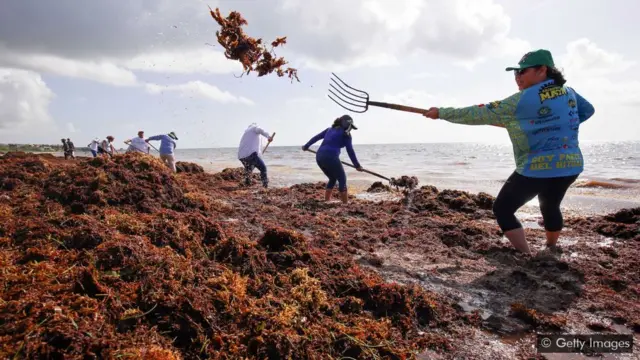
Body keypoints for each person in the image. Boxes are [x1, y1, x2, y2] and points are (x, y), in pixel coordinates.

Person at [422, 49, 595, 254]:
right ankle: (551, 248)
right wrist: (554, 125)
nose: (517, 77)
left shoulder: (521, 100)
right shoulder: (570, 92)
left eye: (522, 72)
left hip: (538, 167)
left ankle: (525, 254)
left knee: (502, 209)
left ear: (542, 70)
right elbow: (587, 110)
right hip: (571, 165)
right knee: (550, 205)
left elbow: (479, 113)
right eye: (515, 73)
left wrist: (441, 113)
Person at [302, 115, 364, 204]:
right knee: (342, 178)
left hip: (319, 157)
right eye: (349, 126)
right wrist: (357, 165)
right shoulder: (346, 135)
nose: (350, 129)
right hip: (331, 157)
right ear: (345, 124)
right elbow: (350, 151)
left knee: (332, 178)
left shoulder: (329, 129)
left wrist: (306, 146)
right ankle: (345, 204)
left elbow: (316, 137)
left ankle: (327, 201)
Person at [237, 123, 273, 188]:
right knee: (263, 168)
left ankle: (247, 184)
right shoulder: (254, 128)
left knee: (249, 169)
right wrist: (269, 136)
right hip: (251, 155)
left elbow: (256, 148)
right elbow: (261, 130)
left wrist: (259, 156)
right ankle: (265, 187)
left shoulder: (247, 132)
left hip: (241, 156)